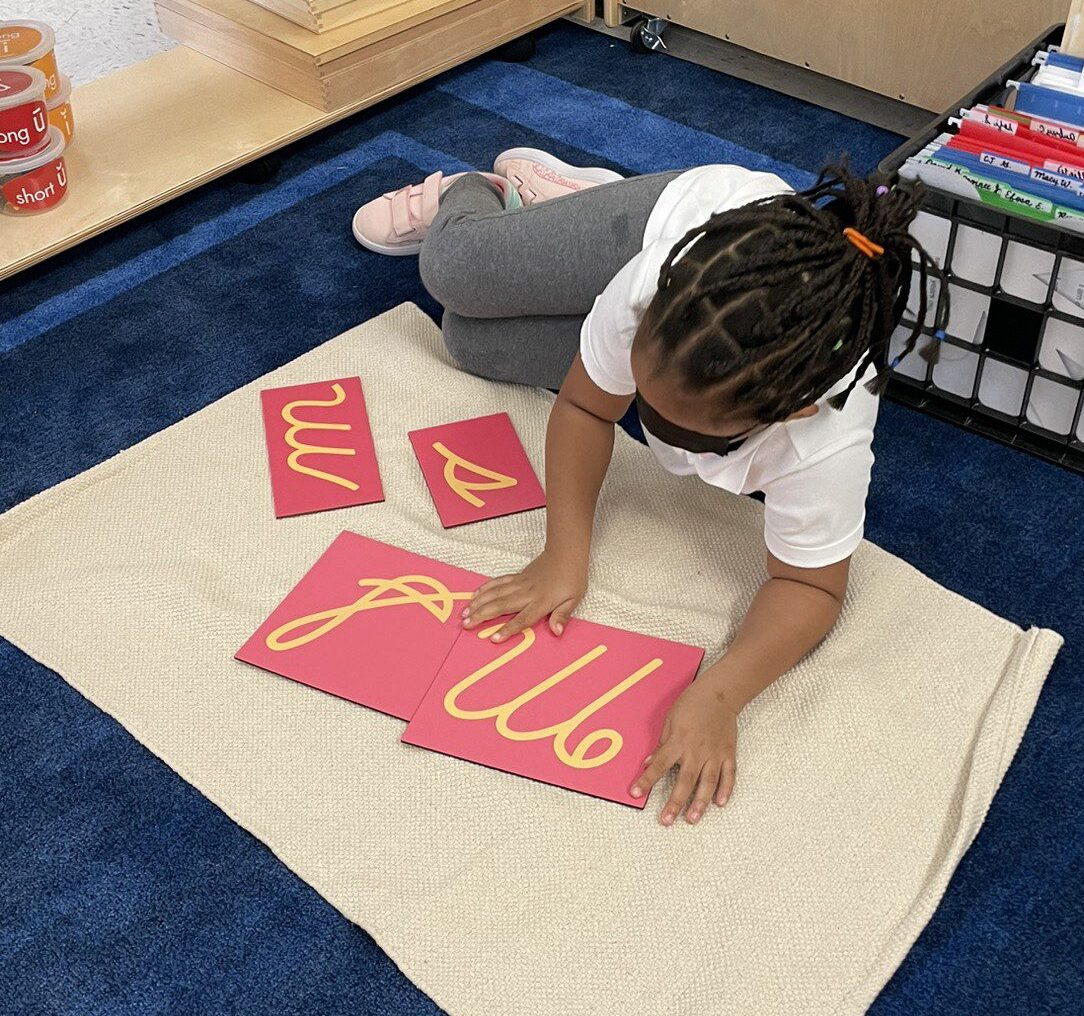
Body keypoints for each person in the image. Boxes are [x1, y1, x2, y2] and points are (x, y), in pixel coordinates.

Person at [352, 148, 943, 826]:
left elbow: (811, 586)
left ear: (784, 416)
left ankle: (565, 217)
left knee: (468, 342)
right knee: (452, 270)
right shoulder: (654, 288)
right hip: (660, 222)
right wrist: (563, 554)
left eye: (669, 420)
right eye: (644, 392)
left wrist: (722, 693)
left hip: (699, 325)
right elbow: (584, 407)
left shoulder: (823, 441)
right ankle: (490, 190)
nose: (647, 419)